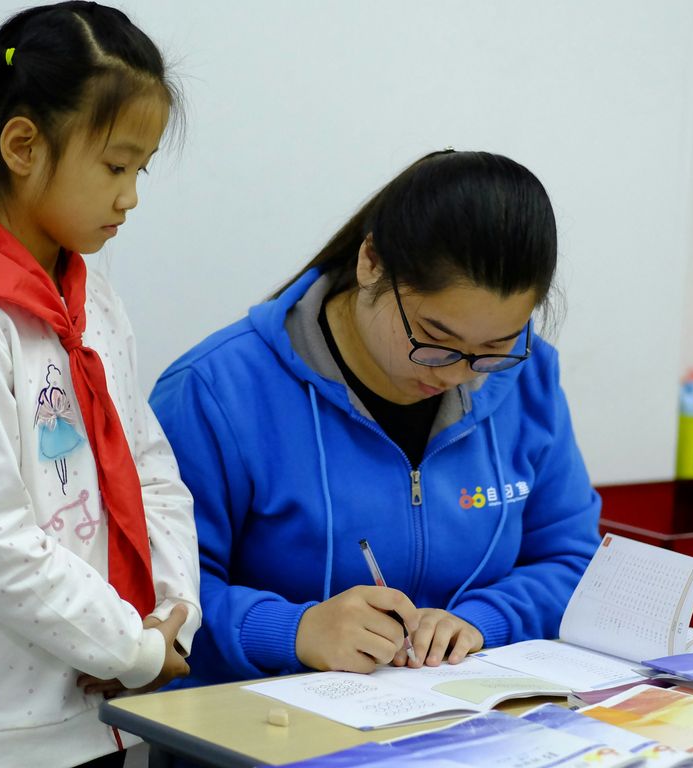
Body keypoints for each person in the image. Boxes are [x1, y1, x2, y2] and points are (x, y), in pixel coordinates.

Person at [149, 149, 601, 688]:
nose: (458, 374)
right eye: (436, 341)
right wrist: (295, 630)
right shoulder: (216, 391)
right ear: (371, 263)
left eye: (495, 348)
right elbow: (156, 595)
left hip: (457, 726)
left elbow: (570, 559)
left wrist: (482, 622)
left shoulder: (528, 378)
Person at [0, 4, 199, 766]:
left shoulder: (96, 300)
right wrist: (131, 647)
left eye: (140, 169)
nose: (130, 196)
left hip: (112, 708)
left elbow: (149, 468)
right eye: (114, 166)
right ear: (24, 146)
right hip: (8, 734)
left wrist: (172, 617)